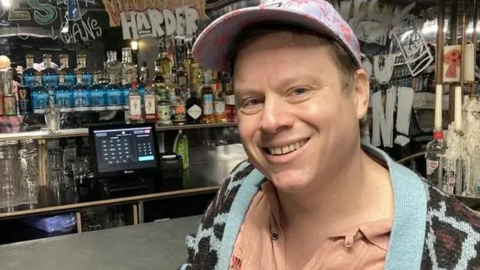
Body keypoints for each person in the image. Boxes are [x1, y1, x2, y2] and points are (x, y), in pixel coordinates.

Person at [180, 0, 480, 269]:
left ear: (359, 93)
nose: (270, 121)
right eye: (252, 101)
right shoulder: (238, 189)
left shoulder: (454, 247)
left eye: (299, 90)